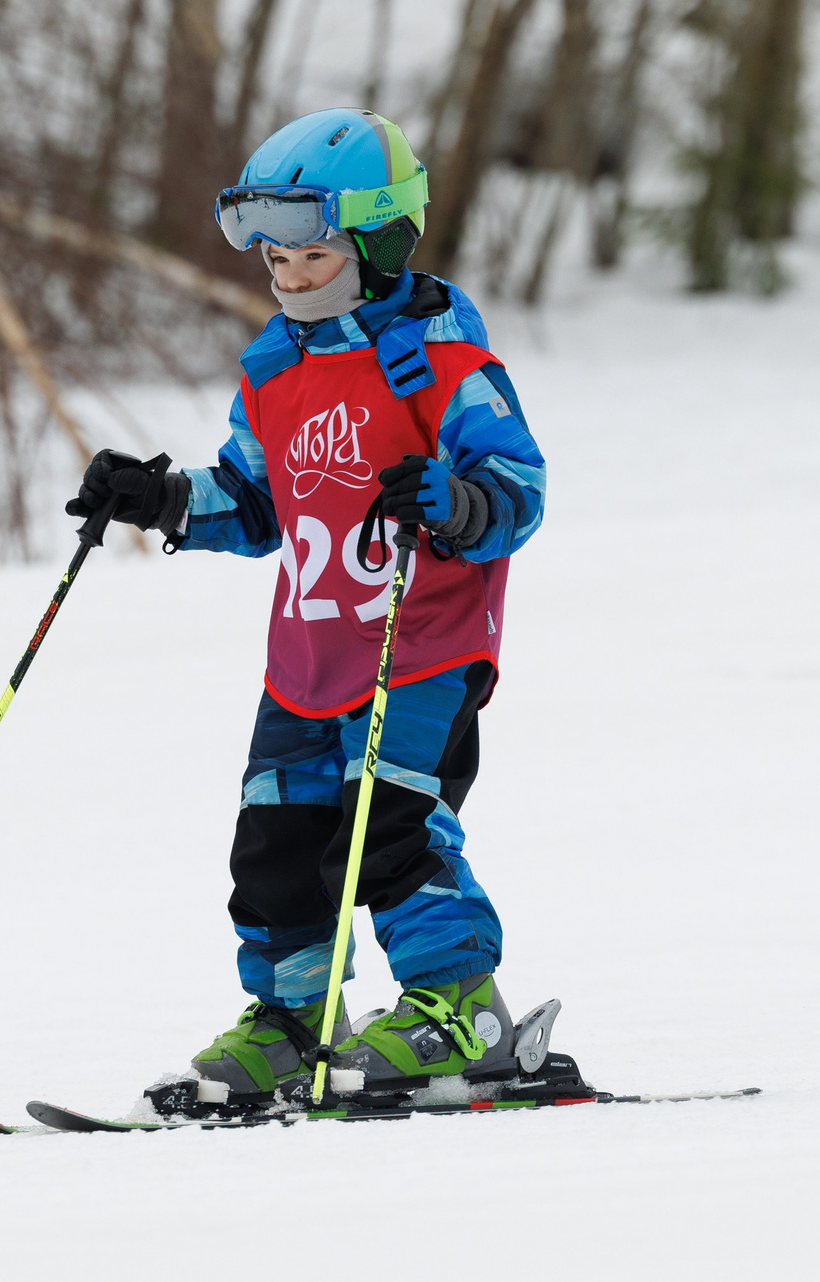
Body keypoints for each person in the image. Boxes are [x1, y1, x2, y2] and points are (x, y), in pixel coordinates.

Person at [66, 109, 549, 1113]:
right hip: (306, 663)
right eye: (275, 259)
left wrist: (455, 502)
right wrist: (160, 499)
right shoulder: (274, 371)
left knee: (393, 832)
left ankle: (465, 1010)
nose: (289, 277)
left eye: (313, 255)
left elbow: (518, 490)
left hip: (417, 649)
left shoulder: (445, 366)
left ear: (379, 245)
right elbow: (255, 503)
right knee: (274, 848)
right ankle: (293, 1025)